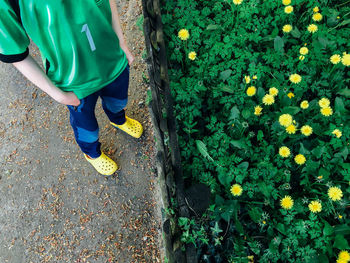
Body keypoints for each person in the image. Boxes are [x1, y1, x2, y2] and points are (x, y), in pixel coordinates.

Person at [0, 0, 143, 175]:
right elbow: (14, 52)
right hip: (73, 82)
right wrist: (58, 95)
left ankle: (118, 119)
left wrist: (121, 42)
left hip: (113, 60)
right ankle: (92, 153)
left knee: (118, 101)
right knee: (86, 127)